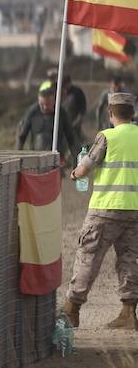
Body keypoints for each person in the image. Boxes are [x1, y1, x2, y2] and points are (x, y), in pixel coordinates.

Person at [62, 92, 138, 330]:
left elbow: (85, 169)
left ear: (110, 113)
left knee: (89, 257)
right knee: (129, 260)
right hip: (134, 210)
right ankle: (128, 312)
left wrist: (73, 174)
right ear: (133, 113)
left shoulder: (106, 137)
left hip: (105, 208)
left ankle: (72, 310)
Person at [17, 81, 80, 163]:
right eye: (42, 104)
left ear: (54, 101)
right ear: (38, 101)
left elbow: (71, 138)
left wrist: (76, 161)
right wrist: (18, 156)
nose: (45, 107)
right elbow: (22, 136)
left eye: (48, 104)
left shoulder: (61, 113)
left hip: (56, 158)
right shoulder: (33, 112)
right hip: (36, 158)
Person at [60, 74, 88, 142]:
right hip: (62, 120)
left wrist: (79, 120)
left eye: (66, 85)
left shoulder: (77, 92)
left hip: (74, 120)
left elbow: (82, 108)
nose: (65, 88)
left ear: (69, 83)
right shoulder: (59, 92)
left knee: (75, 139)